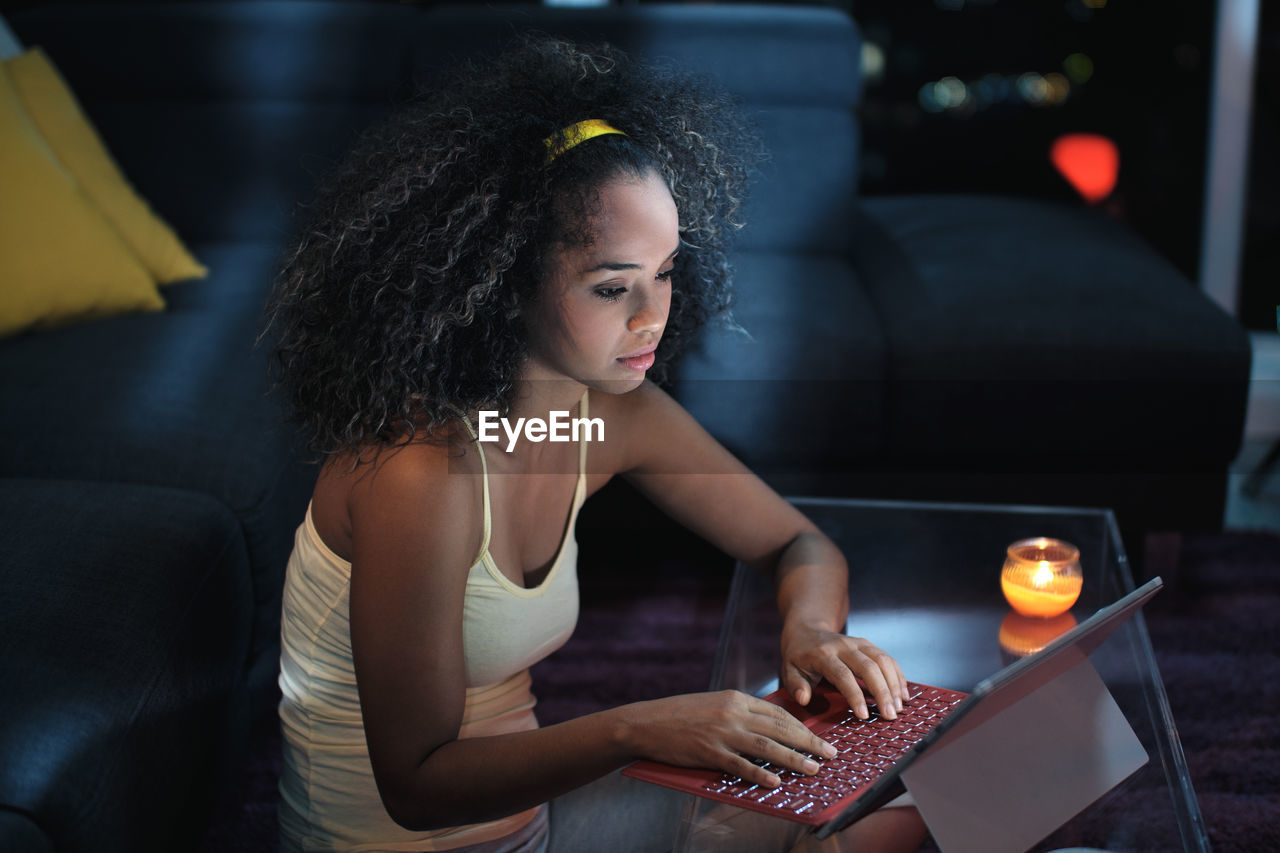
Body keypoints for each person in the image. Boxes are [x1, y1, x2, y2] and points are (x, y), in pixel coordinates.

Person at [264, 35, 926, 853]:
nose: (654, 316)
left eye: (668, 271)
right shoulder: (420, 469)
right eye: (613, 287)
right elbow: (417, 785)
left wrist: (813, 631)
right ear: (504, 282)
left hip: (536, 824)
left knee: (920, 801)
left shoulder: (610, 413)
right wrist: (639, 729)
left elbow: (796, 541)